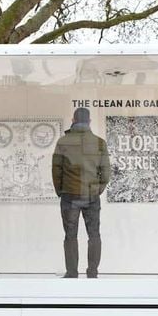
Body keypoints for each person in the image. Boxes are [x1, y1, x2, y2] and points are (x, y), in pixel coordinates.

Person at [52, 107, 111, 278]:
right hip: (91, 195)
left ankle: (71, 273)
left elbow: (56, 171)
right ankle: (92, 272)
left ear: (73, 120)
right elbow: (106, 173)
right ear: (89, 121)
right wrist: (96, 190)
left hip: (69, 195)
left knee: (70, 235)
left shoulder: (63, 142)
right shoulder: (99, 143)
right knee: (94, 234)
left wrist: (61, 191)